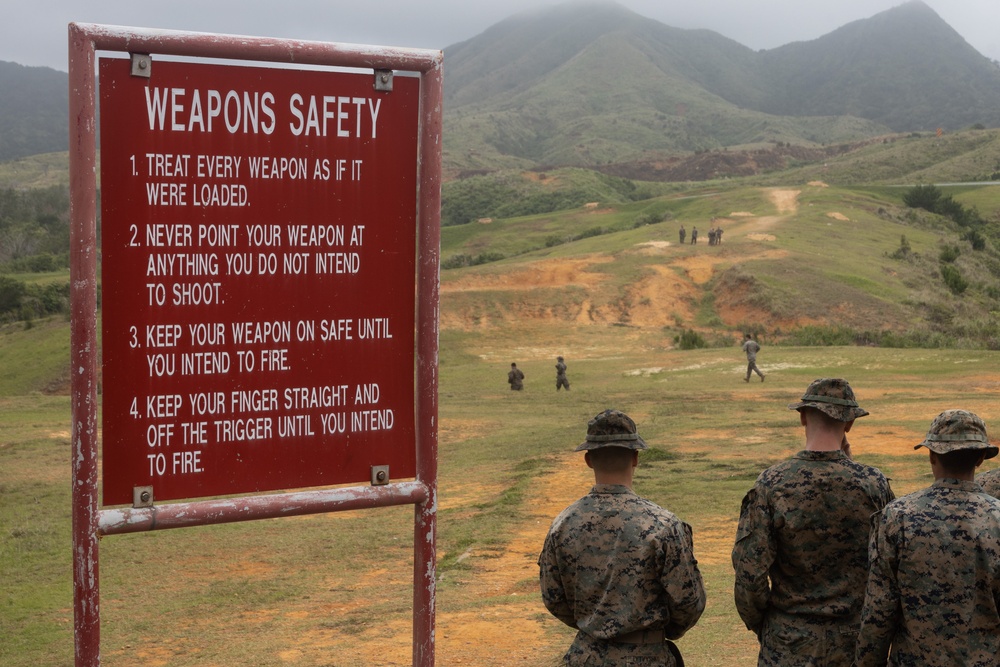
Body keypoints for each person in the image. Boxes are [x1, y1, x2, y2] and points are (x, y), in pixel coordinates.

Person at [732, 378, 894, 666]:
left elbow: (750, 576)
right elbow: (891, 567)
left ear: (803, 416)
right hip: (856, 641)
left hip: (788, 641)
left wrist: (768, 627)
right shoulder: (873, 484)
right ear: (849, 424)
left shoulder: (771, 484)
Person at [539, 409, 706, 666]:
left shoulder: (563, 524)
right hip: (647, 656)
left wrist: (595, 627)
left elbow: (554, 598)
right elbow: (688, 602)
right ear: (636, 458)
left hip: (585, 656)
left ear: (588, 460)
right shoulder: (663, 524)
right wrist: (656, 634)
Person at [855, 409, 1000, 666]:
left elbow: (879, 611)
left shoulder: (897, 517)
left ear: (931, 455)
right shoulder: (996, 519)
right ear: (980, 458)